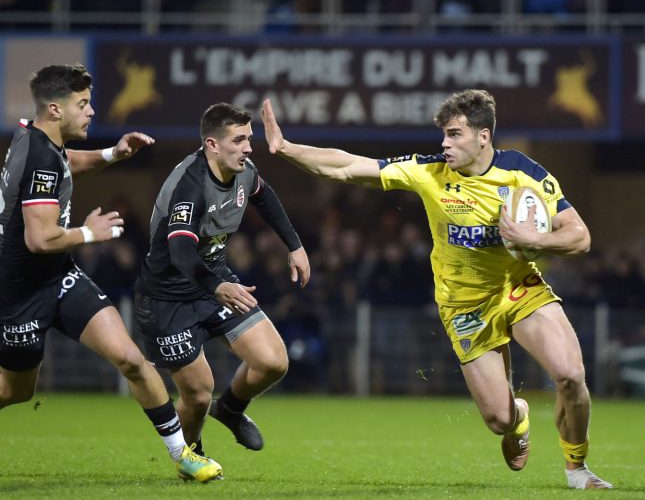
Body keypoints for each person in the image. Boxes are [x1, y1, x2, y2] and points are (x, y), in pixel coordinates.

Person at [260, 90, 613, 489]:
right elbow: (345, 166)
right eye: (443, 135)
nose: (444, 144)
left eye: (454, 134)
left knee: (569, 374)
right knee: (498, 421)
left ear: (483, 136)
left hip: (519, 288)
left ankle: (577, 469)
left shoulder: (523, 173)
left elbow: (579, 238)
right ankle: (518, 415)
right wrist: (287, 148)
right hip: (464, 307)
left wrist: (535, 242)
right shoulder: (428, 172)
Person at [0, 64, 222, 482]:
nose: (91, 111)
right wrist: (89, 231)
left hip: (59, 280)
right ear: (54, 108)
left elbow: (67, 164)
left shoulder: (33, 136)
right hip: (18, 294)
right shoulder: (40, 159)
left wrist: (112, 154)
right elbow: (38, 239)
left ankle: (183, 455)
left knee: (131, 359)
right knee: (16, 391)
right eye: (82, 104)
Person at [133, 102, 309, 457]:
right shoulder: (190, 187)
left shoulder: (242, 169)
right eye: (239, 140)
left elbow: (264, 195)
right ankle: (190, 456)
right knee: (197, 395)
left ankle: (229, 409)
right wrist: (218, 286)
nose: (248, 148)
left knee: (273, 362)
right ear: (212, 145)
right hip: (168, 299)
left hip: (214, 284)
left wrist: (295, 245)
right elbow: (182, 254)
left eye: (249, 138)